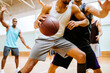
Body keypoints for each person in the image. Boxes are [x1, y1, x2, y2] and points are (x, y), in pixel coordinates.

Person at [18, 0, 89, 73]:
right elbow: (35, 25)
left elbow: (86, 21)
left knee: (81, 56)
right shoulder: (48, 7)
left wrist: (78, 23)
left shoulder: (73, 8)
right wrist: (36, 22)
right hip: (44, 39)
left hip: (59, 39)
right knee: (29, 66)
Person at [47, 0, 110, 73]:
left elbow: (101, 14)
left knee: (96, 68)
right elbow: (53, 11)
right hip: (67, 42)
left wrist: (105, 10)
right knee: (53, 66)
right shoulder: (67, 6)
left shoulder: (87, 6)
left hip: (83, 43)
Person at [0, 5, 31, 73]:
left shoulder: (18, 30)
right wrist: (2, 12)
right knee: (4, 57)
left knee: (17, 56)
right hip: (7, 44)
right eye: (14, 21)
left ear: (17, 22)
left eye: (16, 21)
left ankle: (17, 68)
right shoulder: (8, 27)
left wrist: (26, 45)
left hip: (14, 45)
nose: (15, 22)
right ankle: (2, 70)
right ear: (12, 22)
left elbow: (22, 38)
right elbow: (2, 20)